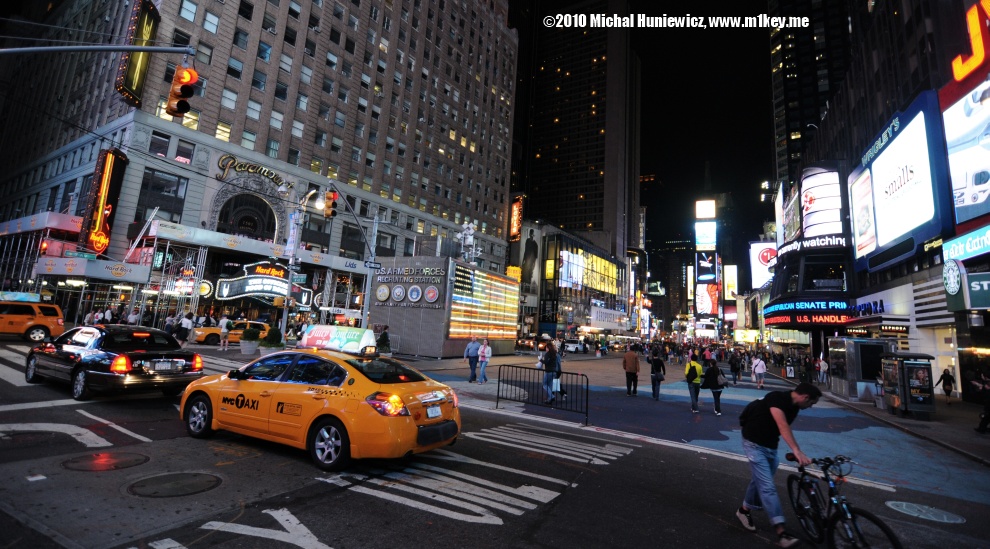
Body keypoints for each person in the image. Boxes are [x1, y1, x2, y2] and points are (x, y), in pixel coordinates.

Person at [736, 382, 823, 547]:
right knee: (767, 486)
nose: (811, 406)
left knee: (760, 480)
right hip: (753, 443)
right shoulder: (777, 398)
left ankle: (743, 511)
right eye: (811, 403)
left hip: (770, 445)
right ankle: (782, 533)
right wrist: (797, 451)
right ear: (805, 397)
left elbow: (779, 427)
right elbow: (782, 425)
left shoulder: (795, 407)